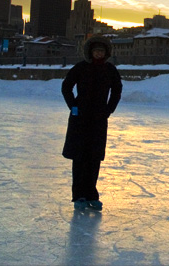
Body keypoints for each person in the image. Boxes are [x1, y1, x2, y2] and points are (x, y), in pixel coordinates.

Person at [61, 36, 122, 211]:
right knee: (80, 157)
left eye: (101, 51)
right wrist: (73, 106)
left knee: (94, 158)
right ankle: (79, 195)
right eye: (96, 51)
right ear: (90, 52)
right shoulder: (81, 68)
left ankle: (91, 195)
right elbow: (66, 86)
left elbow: (117, 90)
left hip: (98, 119)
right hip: (80, 119)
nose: (98, 54)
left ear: (106, 53)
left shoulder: (110, 70)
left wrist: (109, 109)